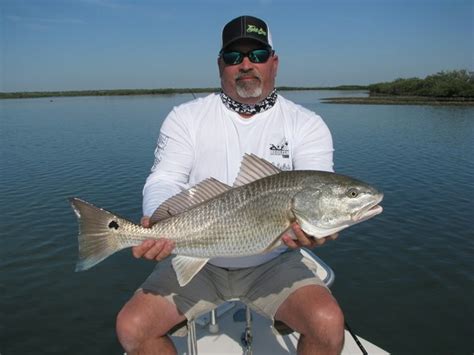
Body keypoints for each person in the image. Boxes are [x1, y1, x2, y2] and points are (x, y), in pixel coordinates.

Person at [116, 15, 345, 355]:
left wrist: (321, 227)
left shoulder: (306, 124)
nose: (246, 64)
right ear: (220, 64)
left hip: (273, 262)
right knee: (132, 328)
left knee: (327, 324)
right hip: (197, 256)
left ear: (274, 62)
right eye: (234, 57)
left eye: (258, 54)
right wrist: (156, 219)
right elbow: (165, 178)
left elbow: (317, 189)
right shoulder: (186, 117)